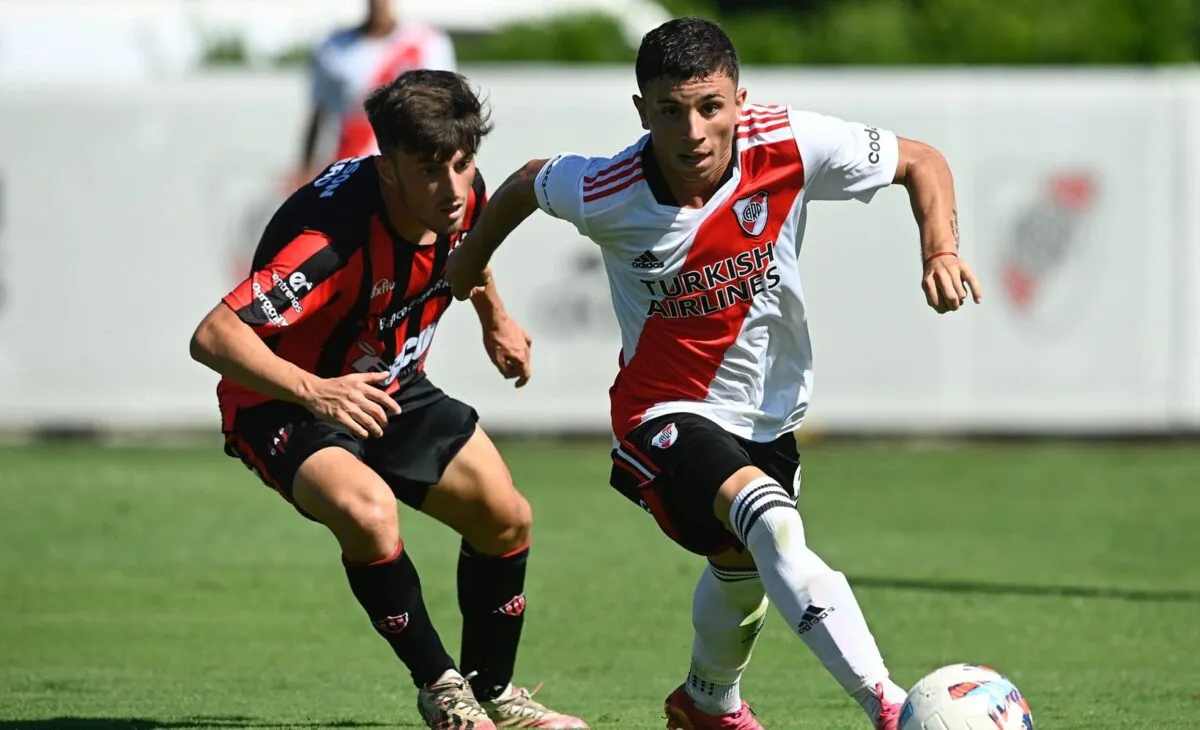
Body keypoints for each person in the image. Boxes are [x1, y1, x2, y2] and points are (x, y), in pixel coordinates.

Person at [445, 17, 981, 730]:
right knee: (773, 527)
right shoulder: (604, 189)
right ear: (642, 111)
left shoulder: (789, 142)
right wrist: (469, 263)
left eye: (710, 107)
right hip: (661, 411)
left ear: (739, 101)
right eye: (671, 111)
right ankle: (887, 705)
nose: (693, 131)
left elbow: (922, 161)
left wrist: (940, 250)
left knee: (741, 568)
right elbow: (523, 184)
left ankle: (707, 702)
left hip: (768, 412)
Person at [190, 69, 588, 730]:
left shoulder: (461, 193)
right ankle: (442, 690)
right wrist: (316, 391)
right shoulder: (330, 242)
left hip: (386, 380)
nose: (452, 187)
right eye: (429, 171)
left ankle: (495, 693)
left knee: (505, 516)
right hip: (283, 399)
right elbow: (214, 335)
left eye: (462, 164)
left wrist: (494, 317)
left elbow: (470, 245)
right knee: (370, 514)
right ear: (388, 169)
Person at [299, 0, 457, 180]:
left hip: (409, 167)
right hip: (351, 165)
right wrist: (306, 168)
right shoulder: (334, 47)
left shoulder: (427, 42)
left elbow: (446, 109)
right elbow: (320, 111)